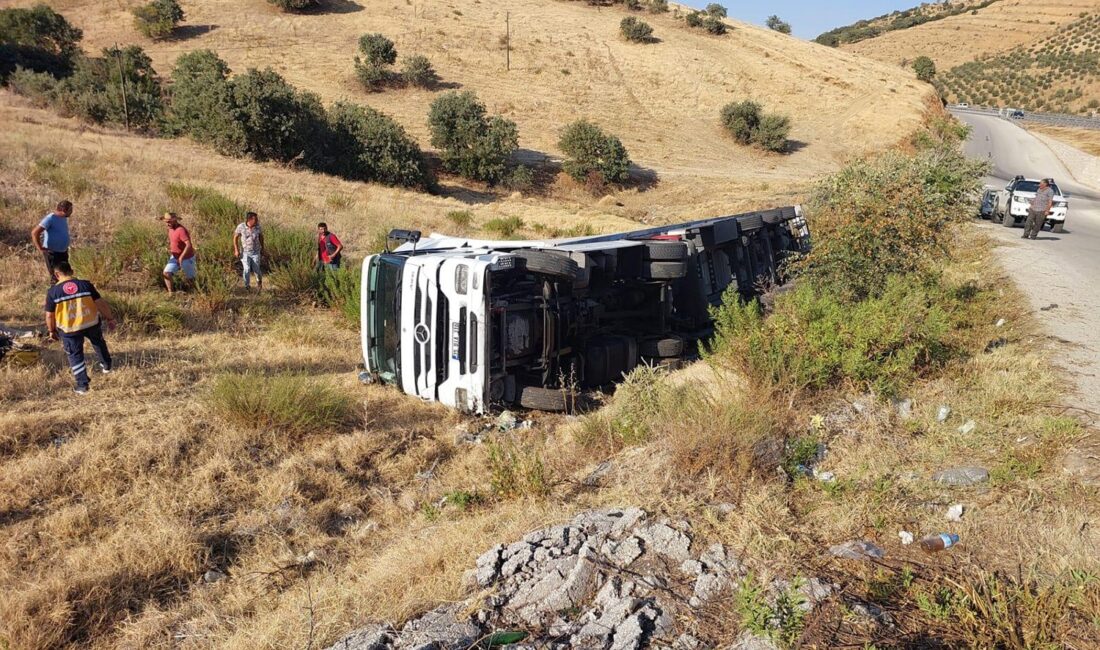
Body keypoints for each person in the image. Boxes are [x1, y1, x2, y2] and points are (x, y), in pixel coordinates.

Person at [43, 260, 116, 394]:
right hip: (91, 323)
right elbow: (101, 303)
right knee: (98, 342)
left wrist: (51, 330)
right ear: (72, 272)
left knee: (75, 354)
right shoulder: (86, 285)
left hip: (69, 329)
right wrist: (110, 318)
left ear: (57, 274)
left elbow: (49, 315)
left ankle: (82, 385)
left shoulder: (53, 292)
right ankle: (107, 365)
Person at [30, 199, 73, 282]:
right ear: (64, 210)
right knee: (56, 276)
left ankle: (65, 293)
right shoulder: (50, 218)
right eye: (70, 209)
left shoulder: (63, 218)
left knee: (66, 275)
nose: (71, 212)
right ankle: (54, 294)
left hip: (63, 252)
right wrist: (40, 248)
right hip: (53, 254)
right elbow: (35, 233)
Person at [161, 212, 196, 293]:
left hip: (187, 258)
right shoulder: (170, 229)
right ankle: (171, 293)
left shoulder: (181, 230)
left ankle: (193, 293)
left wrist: (181, 257)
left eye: (169, 221)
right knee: (166, 273)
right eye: (166, 222)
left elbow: (188, 245)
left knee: (191, 279)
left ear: (175, 221)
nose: (167, 223)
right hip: (175, 257)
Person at [233, 211, 265, 290]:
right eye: (255, 219)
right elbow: (235, 238)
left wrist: (263, 248)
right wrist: (236, 250)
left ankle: (259, 282)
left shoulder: (258, 227)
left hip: (255, 251)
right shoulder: (241, 226)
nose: (257, 220)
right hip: (245, 252)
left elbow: (261, 237)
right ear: (249, 219)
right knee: (246, 269)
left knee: (256, 269)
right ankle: (247, 286)